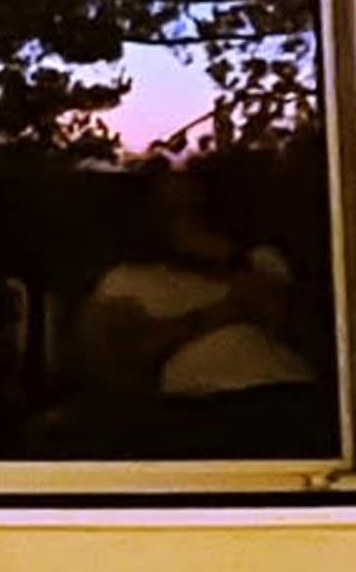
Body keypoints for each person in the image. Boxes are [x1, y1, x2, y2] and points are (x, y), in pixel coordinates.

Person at [71, 168, 318, 434]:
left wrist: (232, 261)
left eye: (195, 209)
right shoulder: (128, 280)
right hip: (204, 402)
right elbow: (113, 358)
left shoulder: (257, 262)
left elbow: (298, 330)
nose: (187, 222)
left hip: (290, 386)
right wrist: (219, 314)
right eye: (173, 211)